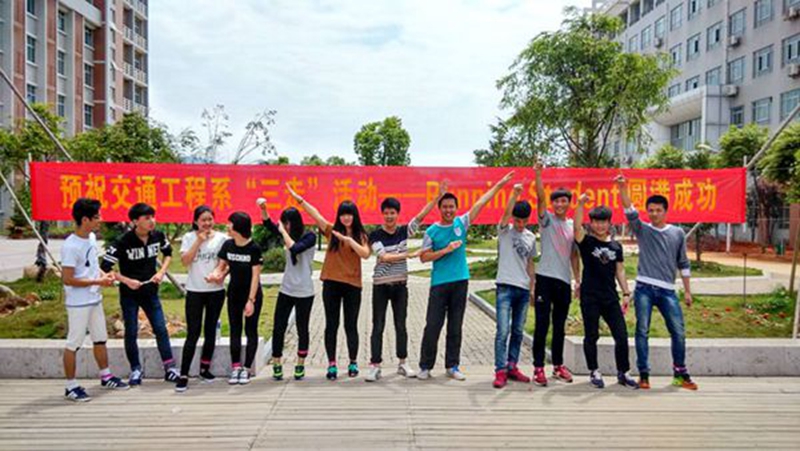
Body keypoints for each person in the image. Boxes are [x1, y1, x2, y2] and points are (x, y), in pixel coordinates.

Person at [418, 171, 515, 381]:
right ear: (439, 209)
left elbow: (481, 202)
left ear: (456, 208)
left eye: (451, 207)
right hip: (439, 283)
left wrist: (499, 184)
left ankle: (452, 366)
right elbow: (423, 258)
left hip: (460, 281)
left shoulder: (462, 223)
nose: (448, 210)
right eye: (445, 207)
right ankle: (425, 366)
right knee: (433, 325)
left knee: (455, 325)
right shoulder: (431, 231)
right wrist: (445, 250)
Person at [616, 175, 698, 391]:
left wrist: (687, 291)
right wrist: (623, 187)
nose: (653, 213)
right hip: (644, 288)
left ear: (665, 211)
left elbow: (683, 262)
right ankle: (644, 375)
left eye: (658, 210)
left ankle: (680, 373)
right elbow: (629, 210)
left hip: (668, 291)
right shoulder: (643, 229)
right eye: (650, 210)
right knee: (642, 331)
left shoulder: (677, 233)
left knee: (678, 331)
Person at [364, 183, 446, 382]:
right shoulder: (375, 235)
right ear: (382, 214)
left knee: (401, 325)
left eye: (392, 213)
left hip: (400, 286)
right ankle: (375, 366)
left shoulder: (403, 232)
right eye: (386, 213)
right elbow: (383, 257)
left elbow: (420, 216)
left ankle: (402, 363)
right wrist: (408, 255)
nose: (389, 216)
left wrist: (437, 198)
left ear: (397, 214)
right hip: (381, 286)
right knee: (378, 325)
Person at [287, 186, 371, 380]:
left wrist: (349, 240)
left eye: (349, 214)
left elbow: (365, 254)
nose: (346, 218)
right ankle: (332, 364)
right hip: (332, 285)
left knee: (351, 325)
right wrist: (300, 200)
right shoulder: (331, 231)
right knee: (331, 324)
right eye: (343, 214)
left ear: (354, 216)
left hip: (352, 286)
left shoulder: (361, 235)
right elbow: (315, 214)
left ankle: (352, 362)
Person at [101, 202, 179, 385]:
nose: (152, 221)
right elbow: (105, 267)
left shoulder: (158, 236)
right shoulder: (123, 241)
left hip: (150, 292)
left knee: (160, 328)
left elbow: (168, 253)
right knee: (131, 331)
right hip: (129, 294)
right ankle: (136, 369)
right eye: (147, 218)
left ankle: (170, 368)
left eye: (153, 217)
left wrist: (161, 272)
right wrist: (126, 280)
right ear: (135, 221)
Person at [61, 198, 129, 402]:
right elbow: (68, 278)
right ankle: (71, 386)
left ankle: (106, 376)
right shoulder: (70, 246)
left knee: (100, 338)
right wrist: (98, 281)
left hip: (94, 299)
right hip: (78, 303)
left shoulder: (90, 237)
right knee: (74, 343)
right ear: (85, 219)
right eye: (97, 217)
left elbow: (91, 265)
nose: (100, 220)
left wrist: (102, 276)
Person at [573, 194, 638, 390]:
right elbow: (576, 228)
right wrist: (580, 204)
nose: (600, 225)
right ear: (591, 223)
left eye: (603, 222)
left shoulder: (615, 246)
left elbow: (620, 270)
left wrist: (626, 292)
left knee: (621, 335)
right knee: (591, 335)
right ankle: (594, 371)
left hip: (610, 297)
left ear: (609, 223)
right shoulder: (586, 242)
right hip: (590, 296)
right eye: (596, 222)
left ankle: (623, 372)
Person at [531, 163, 580, 387]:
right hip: (545, 279)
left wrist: (577, 280)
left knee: (559, 326)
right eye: (557, 201)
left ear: (569, 203)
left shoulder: (572, 225)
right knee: (542, 325)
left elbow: (574, 255)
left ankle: (558, 366)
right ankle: (538, 368)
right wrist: (538, 175)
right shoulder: (547, 220)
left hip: (563, 282)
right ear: (552, 204)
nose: (560, 204)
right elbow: (540, 199)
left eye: (564, 201)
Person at [258, 200, 316, 381]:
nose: (285, 226)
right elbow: (268, 225)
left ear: (294, 222)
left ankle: (300, 364)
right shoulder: (286, 234)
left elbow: (296, 249)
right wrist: (264, 209)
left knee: (302, 328)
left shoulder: (310, 236)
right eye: (284, 223)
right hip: (286, 289)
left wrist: (283, 232)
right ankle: (277, 363)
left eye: (287, 223)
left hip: (305, 291)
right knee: (279, 327)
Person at [175, 206, 228, 393]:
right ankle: (183, 374)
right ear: (195, 221)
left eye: (210, 219)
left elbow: (226, 263)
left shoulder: (222, 238)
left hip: (216, 291)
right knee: (193, 332)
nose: (207, 223)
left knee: (210, 330)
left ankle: (205, 369)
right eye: (203, 220)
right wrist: (198, 241)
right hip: (194, 291)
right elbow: (185, 261)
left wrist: (221, 275)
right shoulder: (189, 237)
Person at [207, 212, 263, 385]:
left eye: (230, 223)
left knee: (251, 330)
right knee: (234, 330)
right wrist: (215, 275)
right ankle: (236, 367)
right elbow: (222, 265)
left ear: (238, 227)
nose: (227, 226)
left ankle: (247, 368)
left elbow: (256, 276)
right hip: (233, 294)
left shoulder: (254, 248)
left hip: (251, 295)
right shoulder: (228, 245)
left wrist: (251, 301)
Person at [492, 183, 536, 389]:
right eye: (517, 220)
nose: (520, 224)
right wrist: (515, 194)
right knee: (503, 331)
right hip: (505, 287)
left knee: (518, 331)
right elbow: (505, 213)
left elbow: (530, 263)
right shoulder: (504, 231)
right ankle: (500, 370)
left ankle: (512, 366)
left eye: (524, 221)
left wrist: (532, 287)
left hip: (523, 288)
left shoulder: (530, 237)